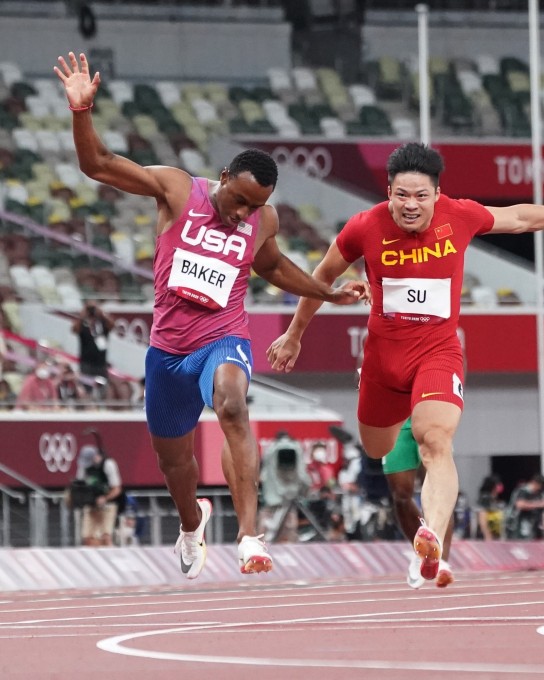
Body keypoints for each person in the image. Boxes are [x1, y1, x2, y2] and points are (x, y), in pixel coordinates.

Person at [55, 52, 369, 579]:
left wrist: (326, 293)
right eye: (239, 200)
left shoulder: (261, 219)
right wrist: (82, 113)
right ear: (224, 178)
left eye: (254, 207)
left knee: (232, 403)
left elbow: (271, 265)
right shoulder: (180, 190)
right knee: (174, 463)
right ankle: (191, 520)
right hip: (167, 351)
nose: (243, 214)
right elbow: (99, 166)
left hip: (221, 336)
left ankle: (250, 535)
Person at [267, 142, 544, 582]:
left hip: (437, 352)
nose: (411, 205)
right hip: (382, 361)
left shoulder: (460, 215)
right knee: (377, 448)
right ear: (389, 192)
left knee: (436, 443)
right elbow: (322, 277)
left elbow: (519, 217)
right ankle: (422, 517)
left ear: (437, 193)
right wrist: (295, 334)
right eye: (401, 195)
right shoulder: (363, 227)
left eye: (421, 196)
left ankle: (431, 532)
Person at [383, 418, 455, 589]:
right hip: (396, 422)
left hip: (431, 415)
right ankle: (422, 549)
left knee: (439, 489)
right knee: (400, 495)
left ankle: (441, 561)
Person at [258, 430, 312, 542]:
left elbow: (263, 476)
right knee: (287, 540)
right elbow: (302, 475)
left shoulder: (270, 451)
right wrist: (305, 491)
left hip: (273, 502)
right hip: (285, 503)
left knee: (265, 541)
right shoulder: (293, 449)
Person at [75, 439, 122, 546]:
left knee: (105, 536)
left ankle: (109, 555)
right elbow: (80, 483)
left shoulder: (108, 465)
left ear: (95, 457)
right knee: (88, 537)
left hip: (107, 504)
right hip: (91, 504)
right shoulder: (84, 467)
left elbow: (116, 489)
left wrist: (105, 498)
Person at [72, 299, 113, 399]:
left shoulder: (102, 324)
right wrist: (82, 315)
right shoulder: (83, 324)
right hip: (86, 363)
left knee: (102, 389)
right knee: (86, 390)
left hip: (101, 363)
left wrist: (101, 313)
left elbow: (112, 325)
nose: (91, 311)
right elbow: (74, 329)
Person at [505, 474, 544, 540]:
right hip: (519, 525)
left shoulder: (538, 494)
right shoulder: (523, 491)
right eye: (540, 485)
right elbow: (520, 504)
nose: (540, 488)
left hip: (533, 527)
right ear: (534, 483)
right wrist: (539, 504)